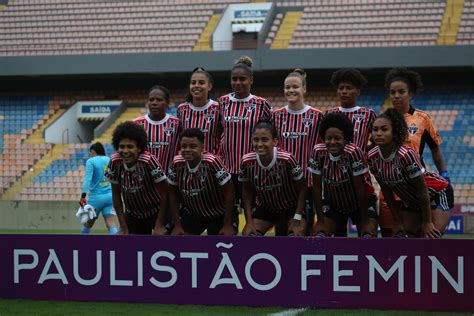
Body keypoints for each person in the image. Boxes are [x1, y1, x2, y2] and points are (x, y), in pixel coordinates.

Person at [378, 67, 451, 237]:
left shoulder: (423, 119)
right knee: (389, 237)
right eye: (392, 92)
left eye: (401, 92)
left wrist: (444, 173)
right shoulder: (383, 121)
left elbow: (435, 149)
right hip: (390, 187)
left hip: (414, 186)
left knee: (418, 237)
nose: (396, 96)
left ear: (410, 94)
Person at [369, 109, 453, 238]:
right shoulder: (372, 157)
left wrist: (427, 222)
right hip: (411, 200)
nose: (378, 133)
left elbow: (422, 189)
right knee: (404, 238)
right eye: (375, 129)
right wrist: (397, 222)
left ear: (395, 132)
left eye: (384, 129)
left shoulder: (405, 155)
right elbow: (386, 190)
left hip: (437, 192)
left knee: (430, 237)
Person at [219, 56, 272, 226]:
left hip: (253, 171)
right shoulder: (223, 102)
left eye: (242, 79)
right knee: (227, 223)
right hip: (227, 171)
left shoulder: (262, 104)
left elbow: (268, 135)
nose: (238, 82)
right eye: (234, 79)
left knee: (254, 221)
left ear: (251, 80)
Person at [308, 113, 378, 237]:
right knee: (320, 235)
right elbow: (317, 188)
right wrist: (320, 219)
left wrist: (365, 221)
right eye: (328, 138)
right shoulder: (318, 152)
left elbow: (360, 189)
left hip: (360, 203)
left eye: (337, 138)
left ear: (346, 139)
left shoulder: (353, 152)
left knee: (368, 236)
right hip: (334, 204)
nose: (332, 142)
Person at [326, 68, 377, 236]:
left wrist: (363, 154)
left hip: (361, 182)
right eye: (341, 88)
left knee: (367, 233)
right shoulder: (330, 114)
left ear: (358, 91)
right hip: (335, 185)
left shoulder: (368, 114)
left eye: (348, 88)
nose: (344, 91)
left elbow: (377, 142)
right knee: (338, 238)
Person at [273, 68, 324, 234]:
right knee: (281, 229)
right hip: (282, 185)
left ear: (304, 89)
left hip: (307, 185)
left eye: (295, 86)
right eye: (287, 87)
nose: (291, 90)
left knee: (303, 230)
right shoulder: (275, 116)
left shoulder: (317, 116)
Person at [239, 120, 307, 236]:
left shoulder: (287, 159)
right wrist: (249, 222)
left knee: (295, 235)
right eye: (256, 140)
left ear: (275, 141)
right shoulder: (246, 161)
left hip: (290, 208)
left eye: (265, 140)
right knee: (249, 235)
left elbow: (303, 188)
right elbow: (247, 191)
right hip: (265, 209)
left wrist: (297, 217)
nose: (259, 144)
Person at [168, 128, 236, 235]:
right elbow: (172, 194)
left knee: (219, 242)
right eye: (184, 146)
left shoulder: (212, 162)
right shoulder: (176, 163)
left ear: (202, 148)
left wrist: (227, 224)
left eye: (193, 146)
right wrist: (177, 225)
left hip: (219, 214)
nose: (187, 150)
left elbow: (230, 191)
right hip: (193, 215)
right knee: (178, 240)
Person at [106, 121, 170, 235]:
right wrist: (123, 225)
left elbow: (166, 191)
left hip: (155, 212)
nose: (125, 151)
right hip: (132, 215)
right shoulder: (114, 161)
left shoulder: (148, 161)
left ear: (139, 148)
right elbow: (116, 193)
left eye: (130, 147)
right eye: (122, 147)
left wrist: (159, 224)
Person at [133, 85, 180, 175]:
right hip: (143, 181)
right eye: (151, 100)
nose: (154, 103)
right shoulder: (136, 124)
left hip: (169, 182)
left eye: (159, 100)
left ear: (167, 103)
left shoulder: (177, 124)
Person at [177, 68, 222, 155]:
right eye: (193, 83)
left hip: (212, 165)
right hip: (188, 165)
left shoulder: (218, 108)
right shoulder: (182, 109)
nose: (196, 85)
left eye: (201, 83)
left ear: (209, 86)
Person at [79, 142, 117, 234]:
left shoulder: (91, 161)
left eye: (90, 152)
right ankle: (118, 245)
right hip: (110, 197)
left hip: (96, 198)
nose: (89, 154)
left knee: (87, 224)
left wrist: (83, 196)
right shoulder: (110, 160)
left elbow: (88, 179)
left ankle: (79, 246)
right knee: (111, 224)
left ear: (93, 151)